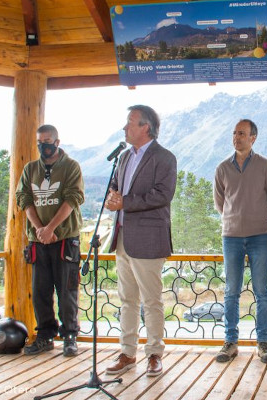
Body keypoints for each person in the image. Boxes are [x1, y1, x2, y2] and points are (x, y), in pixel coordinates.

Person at [103, 105, 177, 378]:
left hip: (148, 238)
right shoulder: (122, 157)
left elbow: (162, 195)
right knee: (127, 300)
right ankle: (127, 352)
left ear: (145, 127)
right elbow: (116, 186)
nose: (125, 128)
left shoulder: (164, 157)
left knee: (152, 301)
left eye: (130, 123)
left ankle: (155, 354)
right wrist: (113, 196)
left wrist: (125, 202)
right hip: (122, 237)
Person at [214, 119, 267, 364]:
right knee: (231, 292)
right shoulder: (222, 168)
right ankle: (230, 342)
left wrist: (256, 218)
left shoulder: (265, 165)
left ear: (253, 138)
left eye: (241, 133)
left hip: (260, 236)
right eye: (234, 133)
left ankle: (263, 343)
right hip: (230, 237)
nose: (236, 137)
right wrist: (235, 219)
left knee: (262, 292)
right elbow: (220, 203)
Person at [16, 124, 84, 357]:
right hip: (39, 241)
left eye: (46, 141)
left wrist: (51, 228)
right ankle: (45, 335)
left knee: (67, 291)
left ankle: (70, 336)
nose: (42, 145)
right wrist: (40, 229)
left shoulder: (71, 167)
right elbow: (24, 198)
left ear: (56, 142)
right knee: (40, 291)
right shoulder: (30, 169)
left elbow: (73, 198)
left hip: (65, 238)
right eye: (39, 141)